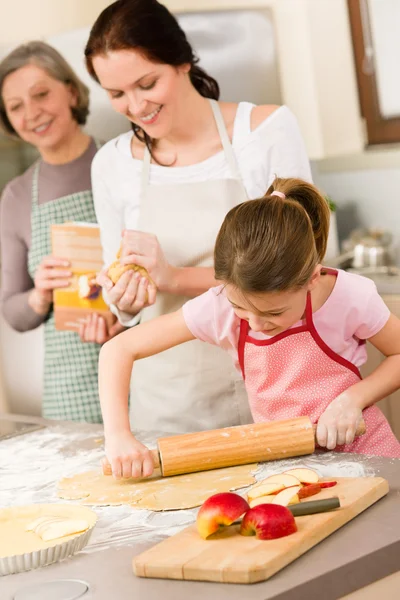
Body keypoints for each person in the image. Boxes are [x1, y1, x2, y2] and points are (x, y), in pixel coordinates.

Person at [84, 0, 316, 434]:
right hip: (170, 405)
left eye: (146, 83)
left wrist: (174, 278)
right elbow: (118, 292)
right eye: (116, 94)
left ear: (183, 61)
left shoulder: (265, 133)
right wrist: (126, 299)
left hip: (276, 388)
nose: (135, 106)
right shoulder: (112, 165)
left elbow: (305, 271)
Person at [98, 177, 400, 479]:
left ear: (312, 279)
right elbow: (118, 349)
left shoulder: (348, 296)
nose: (254, 323)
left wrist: (353, 399)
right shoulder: (219, 306)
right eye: (240, 308)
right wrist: (118, 435)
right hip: (289, 467)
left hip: (368, 458)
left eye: (273, 312)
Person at [0, 41, 124, 422]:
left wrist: (122, 321)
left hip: (144, 370)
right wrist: (39, 296)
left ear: (71, 91)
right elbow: (12, 311)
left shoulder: (123, 161)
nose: (32, 113)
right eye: (16, 106)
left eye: (41, 94)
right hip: (70, 393)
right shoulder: (18, 195)